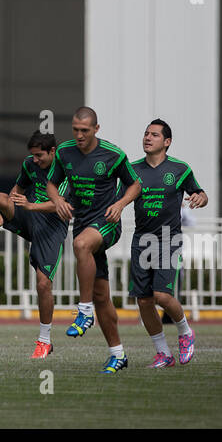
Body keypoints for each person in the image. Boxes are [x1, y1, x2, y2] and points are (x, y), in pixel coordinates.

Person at [45, 107, 141, 373]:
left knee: (80, 246)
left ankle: (84, 311)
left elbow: (136, 185)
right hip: (83, 224)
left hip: (107, 224)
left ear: (96, 129)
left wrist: (121, 204)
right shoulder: (64, 152)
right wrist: (57, 200)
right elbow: (51, 184)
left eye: (84, 131)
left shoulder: (113, 154)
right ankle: (118, 354)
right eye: (75, 129)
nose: (79, 135)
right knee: (102, 296)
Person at [112, 119, 207, 368]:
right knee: (143, 300)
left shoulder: (179, 169)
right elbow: (116, 197)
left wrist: (200, 197)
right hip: (141, 240)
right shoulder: (132, 170)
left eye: (154, 135)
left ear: (167, 142)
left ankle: (186, 332)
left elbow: (200, 193)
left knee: (162, 296)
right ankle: (163, 353)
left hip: (168, 239)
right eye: (145, 134)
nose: (147, 138)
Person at [0, 130, 71, 357]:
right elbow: (18, 191)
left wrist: (30, 205)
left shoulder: (64, 167)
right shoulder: (29, 164)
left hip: (52, 226)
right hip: (29, 215)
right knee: (3, 199)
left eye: (39, 155)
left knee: (43, 284)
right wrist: (4, 214)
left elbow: (60, 205)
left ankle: (44, 340)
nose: (35, 160)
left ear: (52, 151)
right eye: (32, 155)